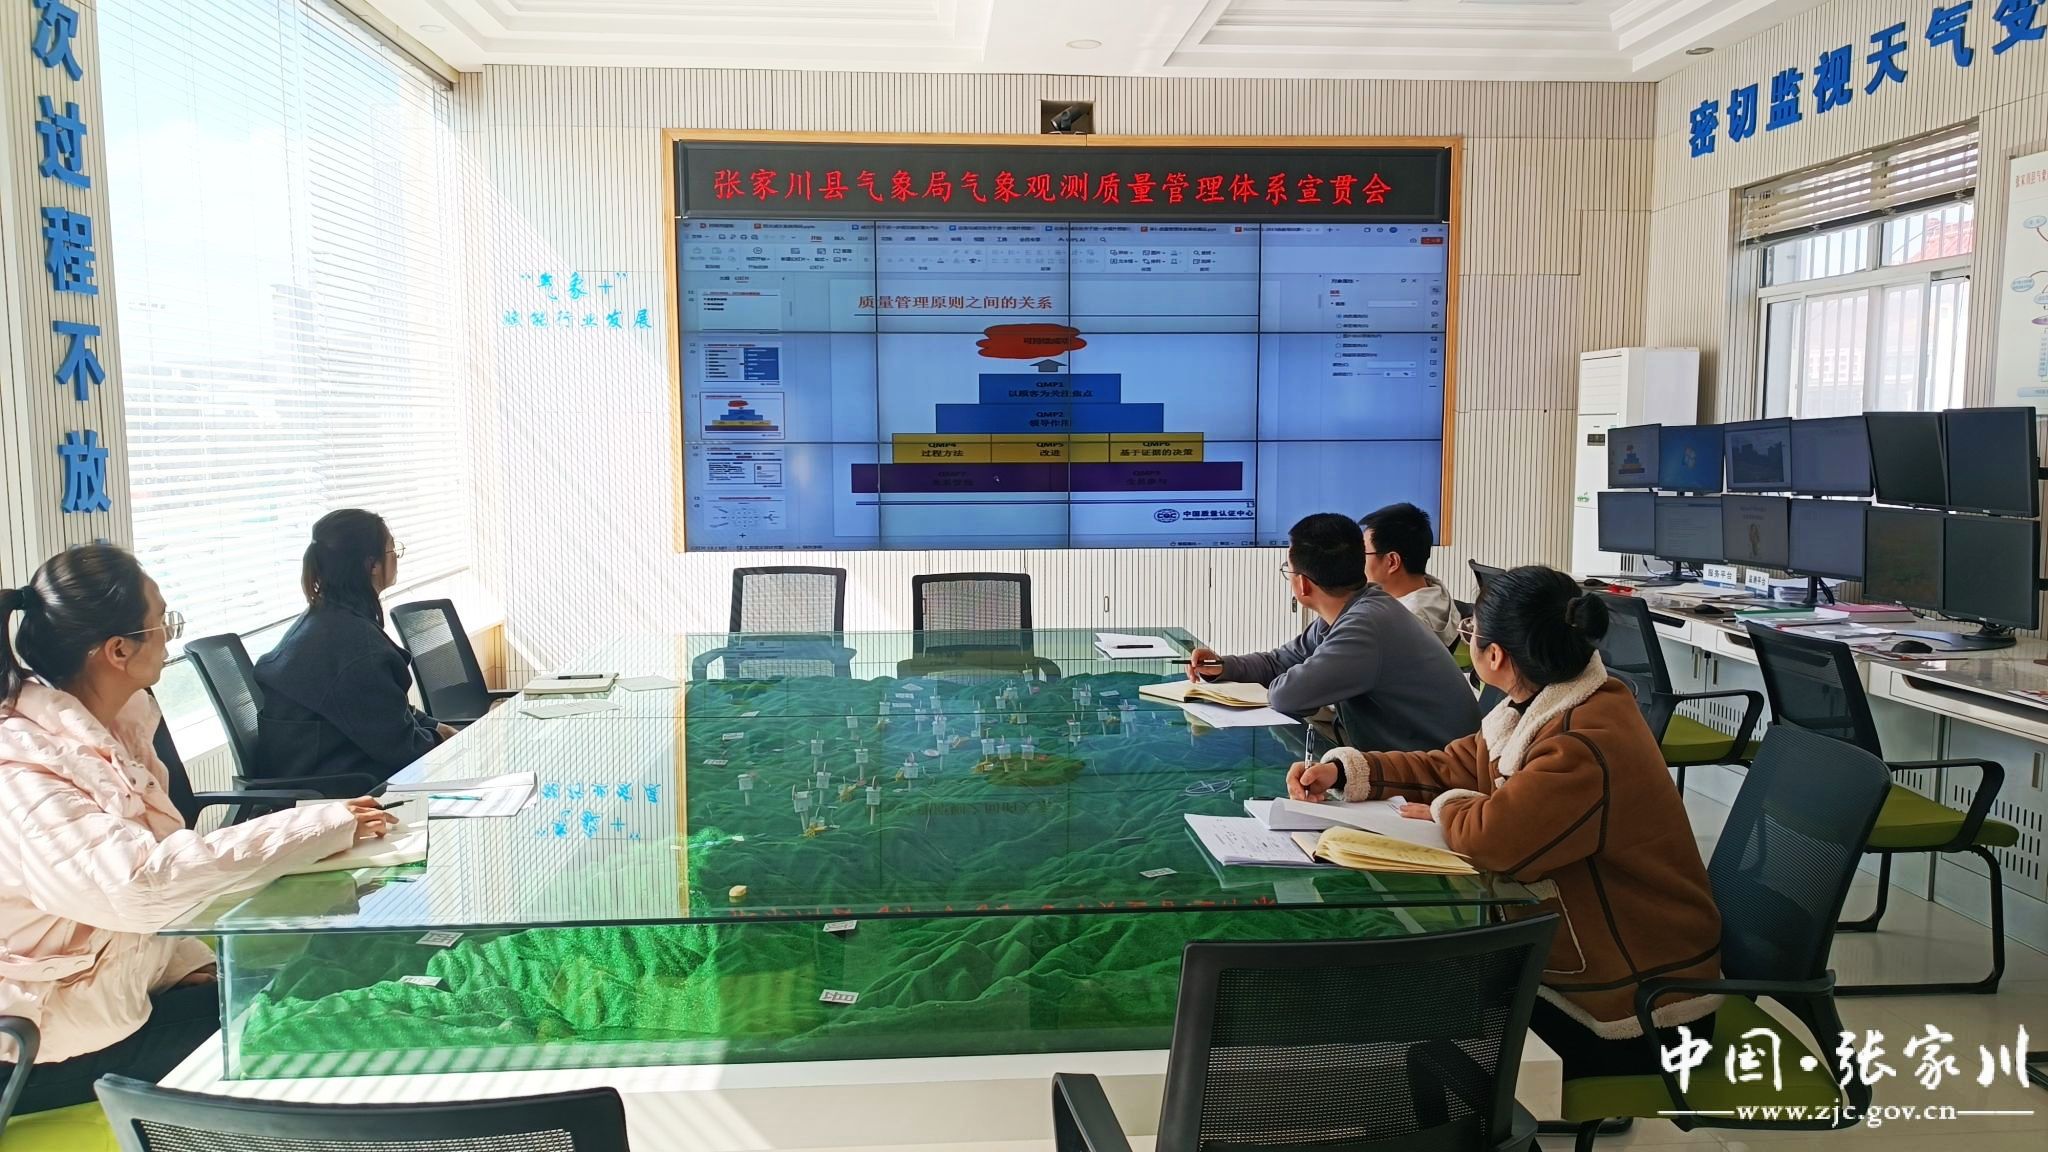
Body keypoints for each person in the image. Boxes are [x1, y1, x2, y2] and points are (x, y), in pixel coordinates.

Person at [0, 545, 394, 1113]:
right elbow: (137, 885)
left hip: (100, 1000)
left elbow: (113, 904)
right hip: (34, 1051)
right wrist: (314, 826)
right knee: (305, 1029)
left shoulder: (113, 732)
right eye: (162, 621)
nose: (168, 636)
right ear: (118, 650)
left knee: (321, 981)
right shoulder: (23, 771)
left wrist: (184, 963)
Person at [1287, 565, 1721, 1078]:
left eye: (1471, 630)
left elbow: (1493, 839)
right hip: (1584, 967)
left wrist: (1449, 806)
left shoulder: (1582, 743)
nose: (1468, 637)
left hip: (1639, 1012)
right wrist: (1347, 770)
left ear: (1494, 656)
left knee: (1407, 1016)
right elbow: (1452, 766)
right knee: (1408, 998)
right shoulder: (1543, 706)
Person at [1186, 513, 1478, 752]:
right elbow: (1279, 661)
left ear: (1303, 584)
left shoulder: (1366, 626)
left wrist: (1296, 678)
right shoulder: (1357, 607)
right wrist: (1222, 666)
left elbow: (1288, 696)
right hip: (1403, 759)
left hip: (1433, 775)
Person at [255, 510, 455, 786]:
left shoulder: (326, 618)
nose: (396, 557)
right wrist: (442, 738)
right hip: (336, 786)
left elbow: (382, 711)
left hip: (325, 767)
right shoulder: (354, 646)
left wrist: (433, 726)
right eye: (392, 550)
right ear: (371, 565)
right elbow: (403, 749)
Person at [1358, 502, 1461, 649]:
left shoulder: (1403, 625)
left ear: (1392, 562)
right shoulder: (1435, 590)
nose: (1358, 560)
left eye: (1363, 553)